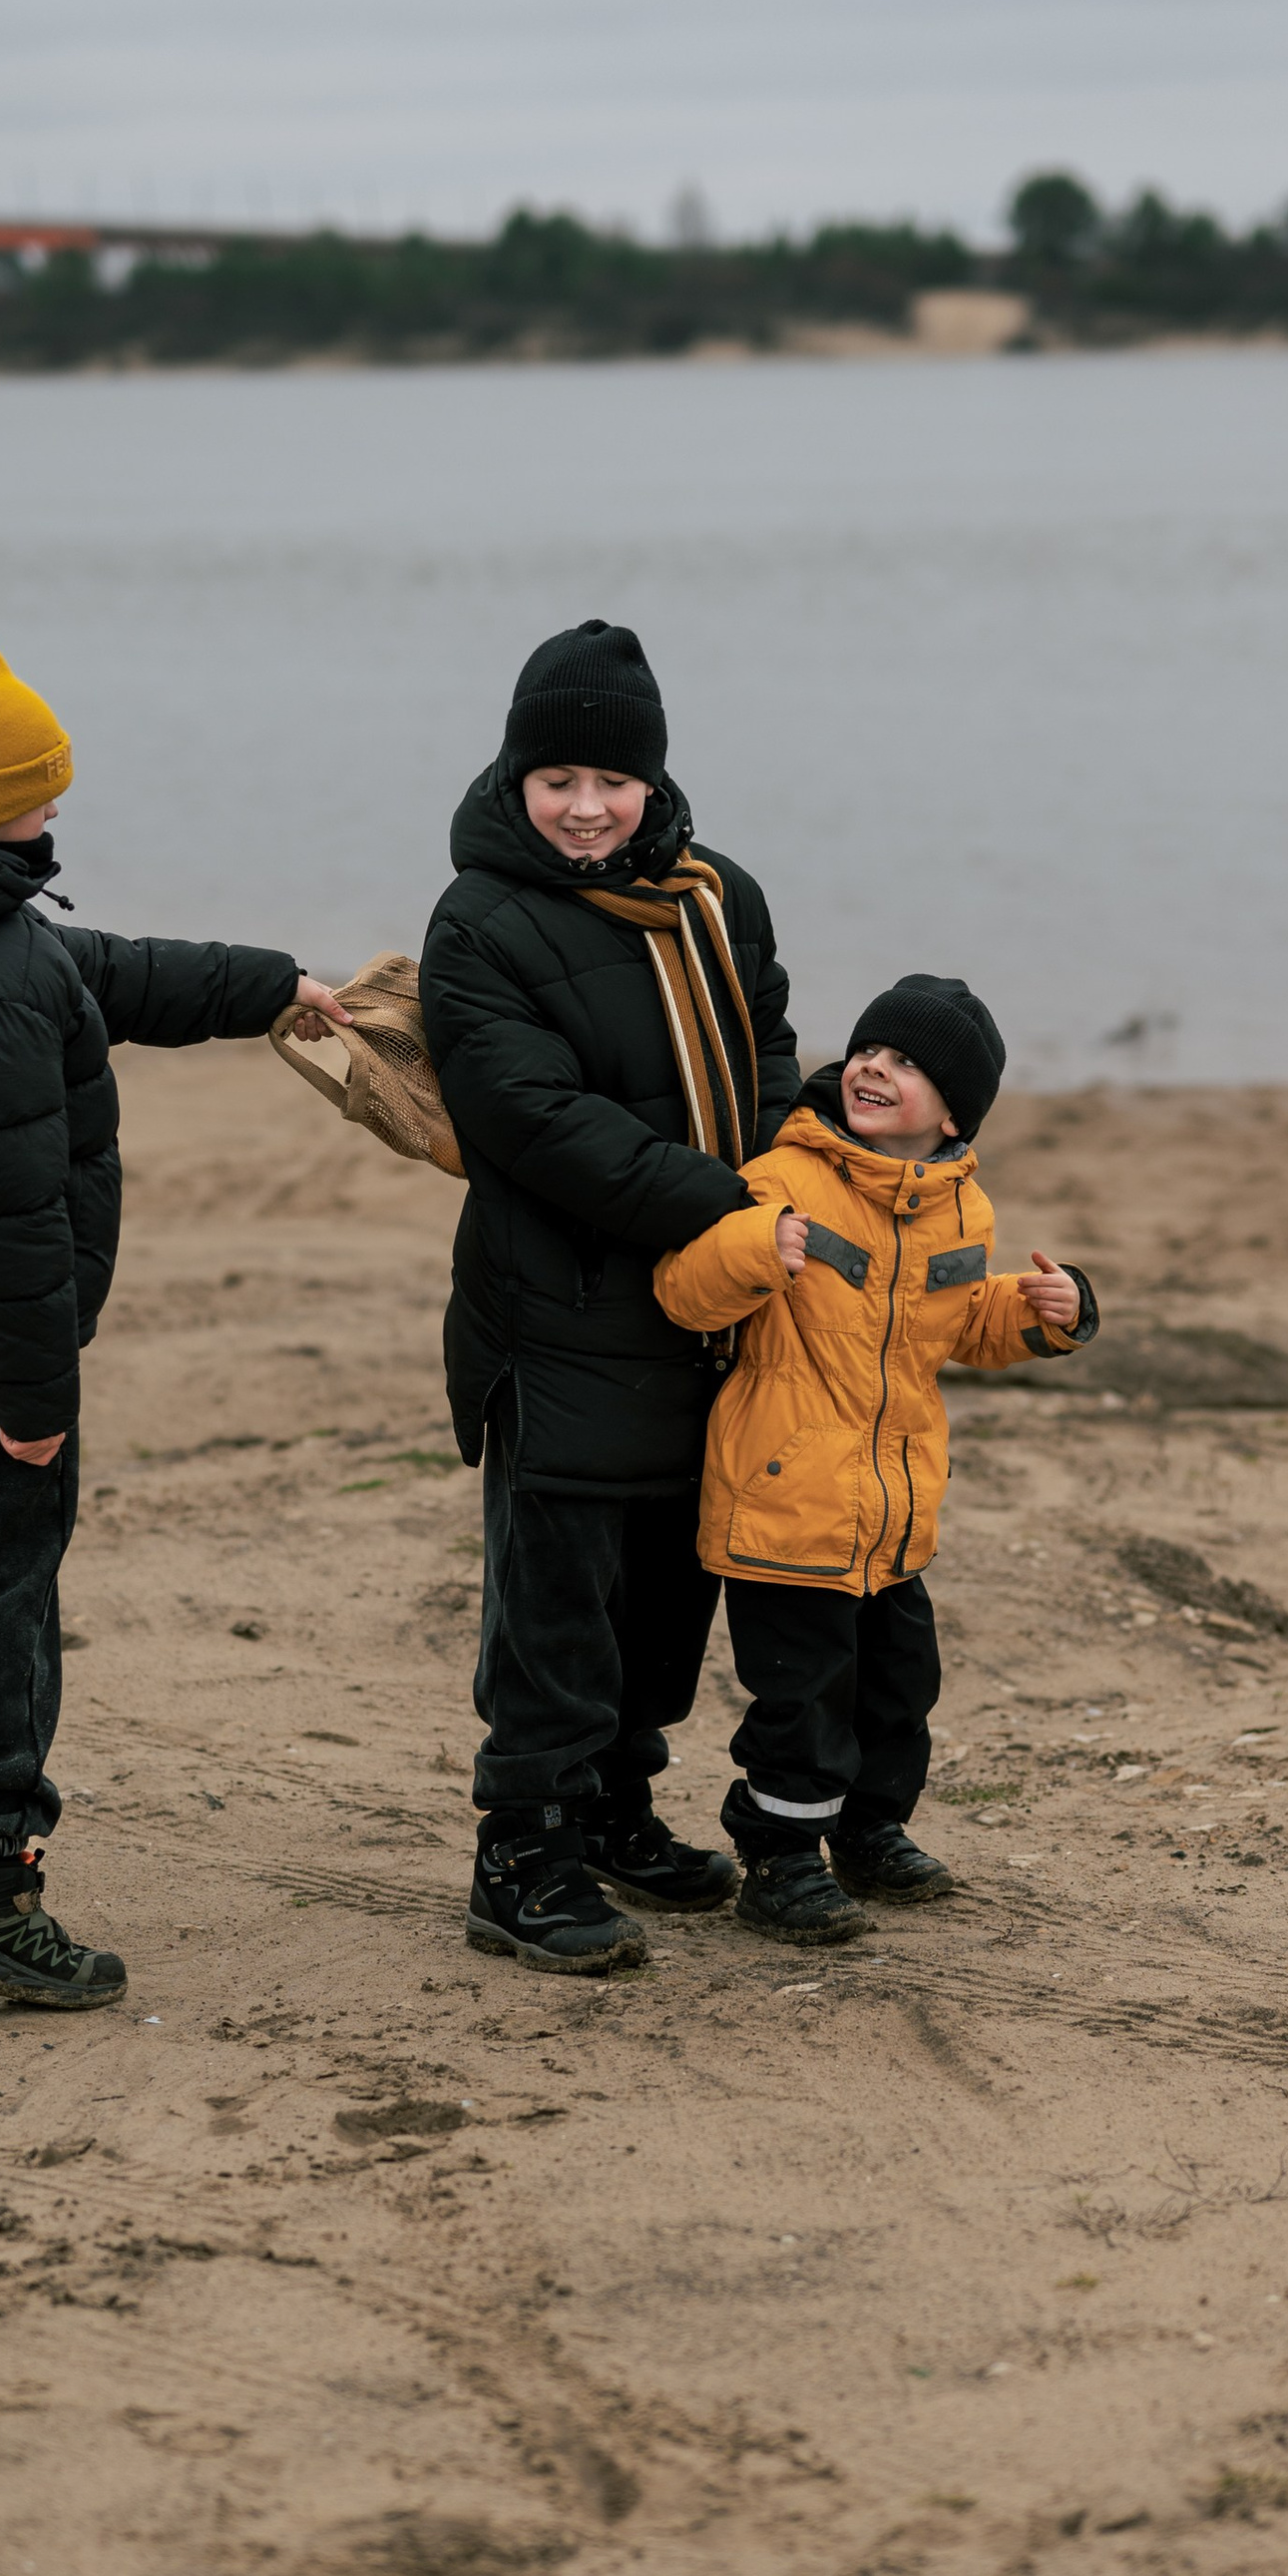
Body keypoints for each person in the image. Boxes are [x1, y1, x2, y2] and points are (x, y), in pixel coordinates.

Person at [0, 611, 352, 2009]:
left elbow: (97, 971)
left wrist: (268, 985)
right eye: (35, 787)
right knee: (5, 1599)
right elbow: (8, 1227)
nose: (56, 802)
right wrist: (36, 1404)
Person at [421, 619, 798, 1974]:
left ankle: (616, 1812)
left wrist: (768, 1179)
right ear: (518, 779)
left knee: (662, 1596)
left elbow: (766, 1049)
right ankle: (519, 1851)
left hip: (705, 1315)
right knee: (557, 1600)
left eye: (612, 782)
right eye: (557, 780)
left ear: (653, 782)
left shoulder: (716, 897)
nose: (586, 809)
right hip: (559, 1311)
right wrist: (737, 1212)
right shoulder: (479, 920)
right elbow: (534, 1121)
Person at [650, 976, 1096, 1943]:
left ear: (952, 1109)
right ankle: (777, 1859)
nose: (873, 1067)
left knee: (898, 1688)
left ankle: (868, 1829)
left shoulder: (961, 1208)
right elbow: (686, 1291)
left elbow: (961, 1322)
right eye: (868, 1051)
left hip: (892, 1511)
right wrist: (754, 1247)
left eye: (906, 1063)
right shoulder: (786, 1177)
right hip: (786, 1497)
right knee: (801, 1695)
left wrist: (1040, 1312)